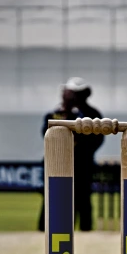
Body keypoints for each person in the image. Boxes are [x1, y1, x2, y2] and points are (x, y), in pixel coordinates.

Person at [38, 85, 82, 232]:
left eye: (71, 96)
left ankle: (70, 228)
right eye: (66, 95)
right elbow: (45, 133)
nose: (68, 98)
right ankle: (44, 229)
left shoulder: (78, 115)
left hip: (73, 161)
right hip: (53, 160)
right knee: (50, 196)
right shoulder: (53, 113)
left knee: (73, 198)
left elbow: (81, 136)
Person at [67, 77, 104, 231]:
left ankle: (86, 229)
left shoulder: (93, 113)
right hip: (65, 163)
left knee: (84, 198)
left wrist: (83, 149)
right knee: (64, 198)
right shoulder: (65, 113)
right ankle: (65, 230)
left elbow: (99, 138)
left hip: (84, 163)